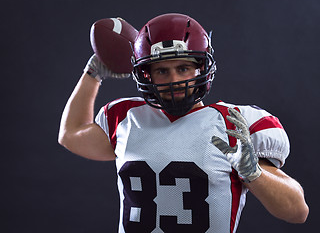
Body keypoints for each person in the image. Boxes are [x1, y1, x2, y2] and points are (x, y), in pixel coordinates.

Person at [58, 13, 309, 233]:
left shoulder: (234, 123)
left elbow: (297, 211)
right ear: (147, 74)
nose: (174, 80)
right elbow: (70, 135)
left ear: (201, 68)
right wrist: (92, 74)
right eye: (162, 71)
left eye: (183, 68)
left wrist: (253, 172)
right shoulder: (126, 117)